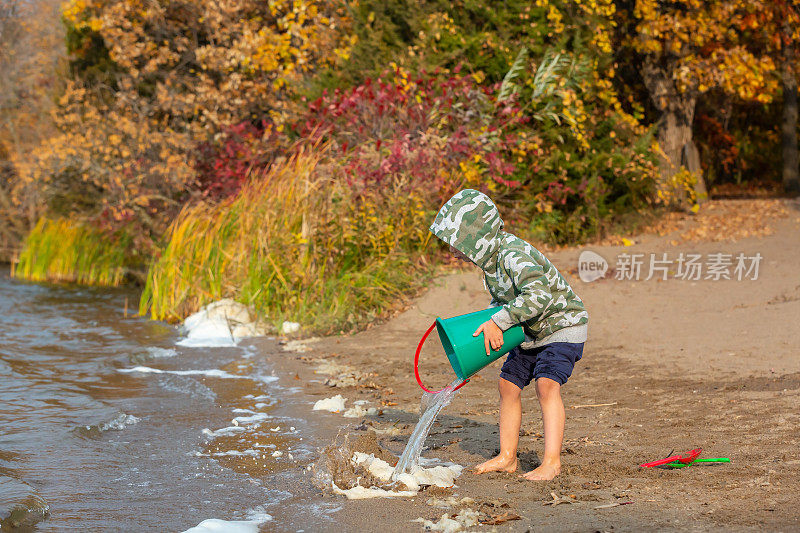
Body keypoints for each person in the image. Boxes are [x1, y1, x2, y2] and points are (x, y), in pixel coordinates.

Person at [429, 189, 588, 481]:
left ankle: (551, 462)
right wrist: (490, 324)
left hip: (561, 325)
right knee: (508, 386)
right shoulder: (489, 264)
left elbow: (538, 295)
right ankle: (507, 457)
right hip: (528, 331)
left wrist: (500, 321)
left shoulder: (513, 254)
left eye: (455, 243)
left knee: (547, 385)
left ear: (475, 237)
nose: (452, 251)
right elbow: (504, 300)